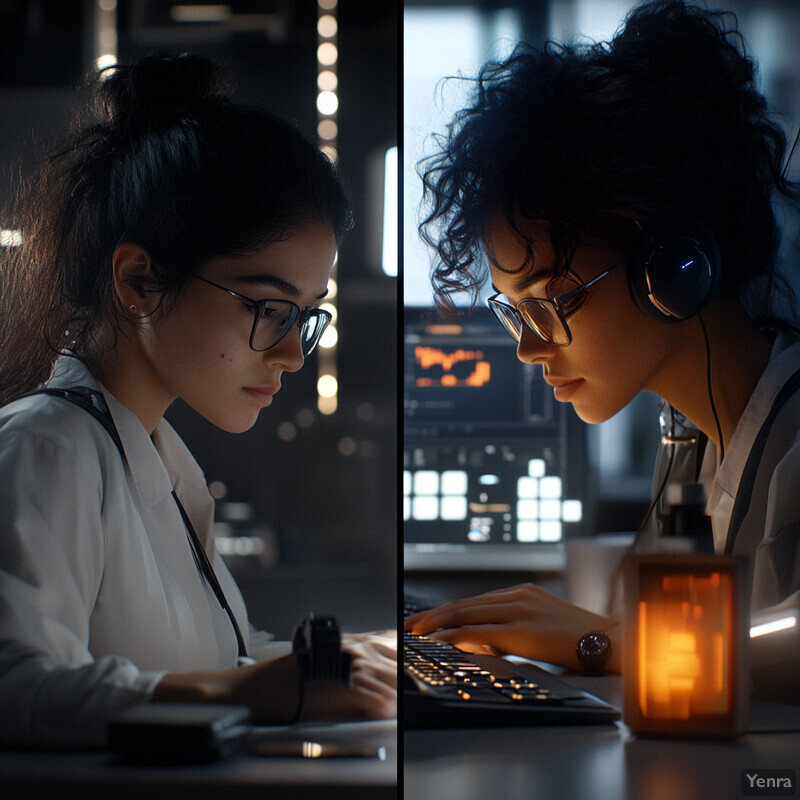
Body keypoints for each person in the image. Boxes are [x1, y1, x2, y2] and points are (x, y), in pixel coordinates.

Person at [405, 0, 800, 701]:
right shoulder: (692, 443)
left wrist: (605, 642)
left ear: (674, 268)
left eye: (550, 302)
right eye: (512, 311)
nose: (527, 349)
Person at [0, 53, 396, 749]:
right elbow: (15, 688)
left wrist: (355, 660)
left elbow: (218, 665)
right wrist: (248, 688)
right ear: (139, 282)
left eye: (305, 314)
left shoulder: (154, 459)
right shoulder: (47, 447)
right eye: (270, 307)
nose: (292, 353)